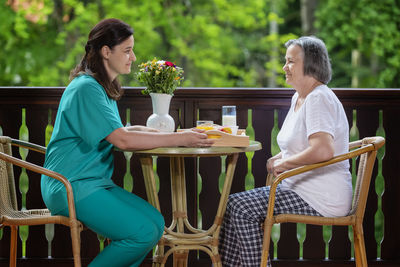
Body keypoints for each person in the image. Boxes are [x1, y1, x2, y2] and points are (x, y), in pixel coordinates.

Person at [41, 18, 214, 267]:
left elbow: (119, 130)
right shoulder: (86, 88)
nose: (133, 57)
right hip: (70, 185)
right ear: (106, 52)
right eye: (127, 50)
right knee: (140, 232)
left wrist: (151, 130)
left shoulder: (101, 87)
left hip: (93, 182)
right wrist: (180, 138)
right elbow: (121, 140)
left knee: (154, 224)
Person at [218, 36, 352, 266]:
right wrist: (281, 156)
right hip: (300, 188)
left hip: (322, 196)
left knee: (240, 207)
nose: (284, 67)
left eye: (291, 61)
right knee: (233, 205)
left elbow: (322, 150)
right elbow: (303, 144)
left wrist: (284, 164)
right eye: (286, 61)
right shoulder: (300, 97)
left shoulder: (318, 98)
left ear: (311, 64)